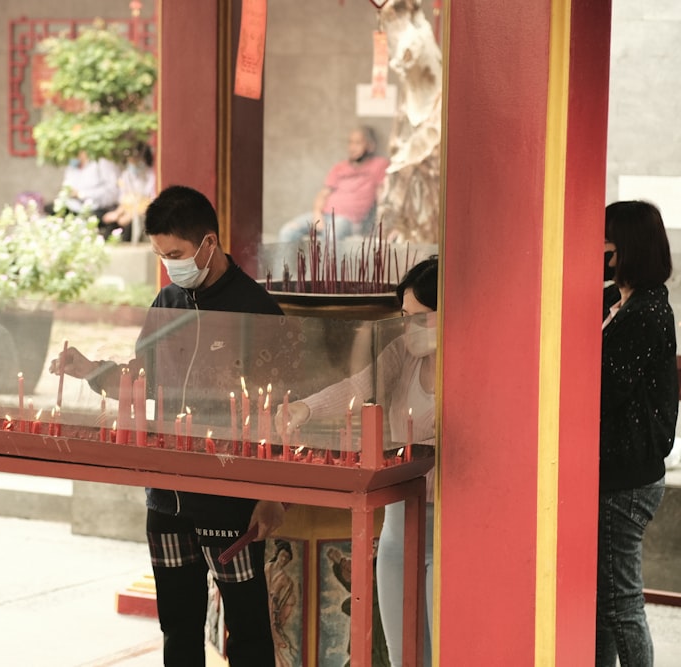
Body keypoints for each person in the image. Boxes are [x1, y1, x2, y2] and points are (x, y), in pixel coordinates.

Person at [51, 184, 286, 666]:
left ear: (209, 243)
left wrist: (271, 492)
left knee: (247, 630)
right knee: (177, 625)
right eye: (161, 254)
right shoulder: (167, 303)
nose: (170, 265)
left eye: (176, 253)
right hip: (166, 495)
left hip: (229, 495)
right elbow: (142, 380)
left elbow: (279, 408)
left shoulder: (257, 310)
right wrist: (89, 369)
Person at [277, 256, 438, 667]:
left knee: (446, 651)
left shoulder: (478, 366)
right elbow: (359, 384)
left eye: (422, 317)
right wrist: (305, 409)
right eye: (404, 316)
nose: (409, 327)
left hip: (452, 524)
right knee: (405, 655)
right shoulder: (404, 353)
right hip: (402, 521)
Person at [597, 201, 677, 666]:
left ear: (625, 246)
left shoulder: (646, 312)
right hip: (616, 472)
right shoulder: (617, 299)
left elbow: (606, 388)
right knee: (600, 605)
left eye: (605, 238)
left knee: (619, 605)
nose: (597, 247)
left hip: (626, 479)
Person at [277, 127, 390, 246]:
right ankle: (285, 265)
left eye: (358, 143)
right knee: (287, 231)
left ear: (370, 146)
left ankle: (326, 265)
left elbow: (381, 195)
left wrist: (383, 225)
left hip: (349, 220)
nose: (352, 148)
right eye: (350, 142)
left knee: (331, 234)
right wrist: (317, 214)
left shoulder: (380, 165)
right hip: (324, 214)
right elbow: (323, 194)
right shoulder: (340, 167)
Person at [100, 141, 156, 241]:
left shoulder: (151, 176)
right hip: (127, 212)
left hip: (142, 214)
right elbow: (124, 199)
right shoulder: (127, 175)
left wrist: (132, 215)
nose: (132, 161)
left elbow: (151, 202)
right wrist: (116, 214)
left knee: (130, 228)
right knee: (110, 225)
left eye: (135, 157)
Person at [48, 150, 119, 220]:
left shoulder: (100, 163)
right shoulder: (72, 166)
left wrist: (81, 194)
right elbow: (66, 184)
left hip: (95, 208)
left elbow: (111, 191)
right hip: (72, 206)